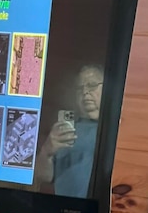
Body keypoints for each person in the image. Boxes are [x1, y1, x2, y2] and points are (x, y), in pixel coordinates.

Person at [35, 65, 104, 197]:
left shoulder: (119, 128)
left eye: (92, 85)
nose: (84, 92)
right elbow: (43, 176)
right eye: (79, 88)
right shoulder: (66, 131)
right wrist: (46, 152)